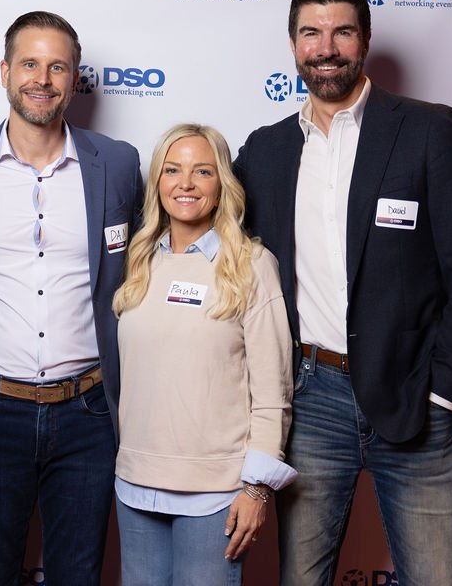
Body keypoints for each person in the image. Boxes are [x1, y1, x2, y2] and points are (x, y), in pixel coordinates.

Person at [234, 0, 452, 586]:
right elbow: (211, 236)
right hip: (312, 397)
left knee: (435, 577)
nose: (326, 47)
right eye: (311, 33)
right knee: (302, 578)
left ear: (366, 39)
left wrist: (446, 393)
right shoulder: (267, 150)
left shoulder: (429, 130)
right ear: (293, 45)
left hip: (416, 398)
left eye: (341, 32)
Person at [0, 10, 143, 586]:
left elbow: (143, 272)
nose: (41, 79)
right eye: (29, 63)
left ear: (74, 80)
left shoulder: (117, 164)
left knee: (79, 573)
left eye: (57, 67)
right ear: (4, 71)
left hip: (90, 413)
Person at [113, 123, 295, 585]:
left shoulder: (251, 265)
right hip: (135, 483)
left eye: (203, 172)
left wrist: (257, 488)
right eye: (172, 170)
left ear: (223, 184)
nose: (186, 184)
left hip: (215, 491)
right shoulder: (138, 260)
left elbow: (273, 392)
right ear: (157, 181)